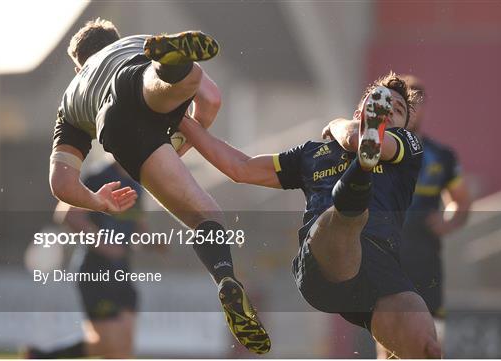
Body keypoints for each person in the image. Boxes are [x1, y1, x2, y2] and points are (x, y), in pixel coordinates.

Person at [178, 72, 442, 358]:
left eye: (398, 110)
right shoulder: (312, 154)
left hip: (380, 275)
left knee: (426, 348)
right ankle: (356, 184)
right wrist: (182, 120)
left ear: (405, 125)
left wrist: (336, 124)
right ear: (361, 111)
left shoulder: (407, 147)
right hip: (322, 262)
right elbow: (241, 167)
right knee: (348, 217)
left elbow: (356, 138)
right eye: (380, 103)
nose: (389, 110)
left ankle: (358, 180)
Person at [48, 18, 270, 354]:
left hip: (116, 129)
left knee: (203, 214)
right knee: (159, 86)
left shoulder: (73, 96)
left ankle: (226, 280)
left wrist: (97, 201)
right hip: (141, 84)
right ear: (114, 40)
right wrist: (181, 146)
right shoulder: (134, 42)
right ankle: (173, 66)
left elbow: (61, 183)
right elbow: (210, 100)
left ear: (79, 65)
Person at [376, 75, 470, 357]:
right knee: (388, 342)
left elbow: (461, 201)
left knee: (432, 342)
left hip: (426, 261)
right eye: (405, 103)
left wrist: (449, 220)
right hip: (387, 258)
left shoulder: (440, 156)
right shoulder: (376, 148)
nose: (412, 109)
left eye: (418, 102)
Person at [28, 161, 146, 358]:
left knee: (123, 345)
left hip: (122, 270)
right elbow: (66, 214)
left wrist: (155, 241)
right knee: (110, 342)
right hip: (95, 269)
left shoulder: (137, 182)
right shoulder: (98, 177)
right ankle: (42, 357)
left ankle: (41, 357)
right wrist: (105, 245)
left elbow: (138, 225)